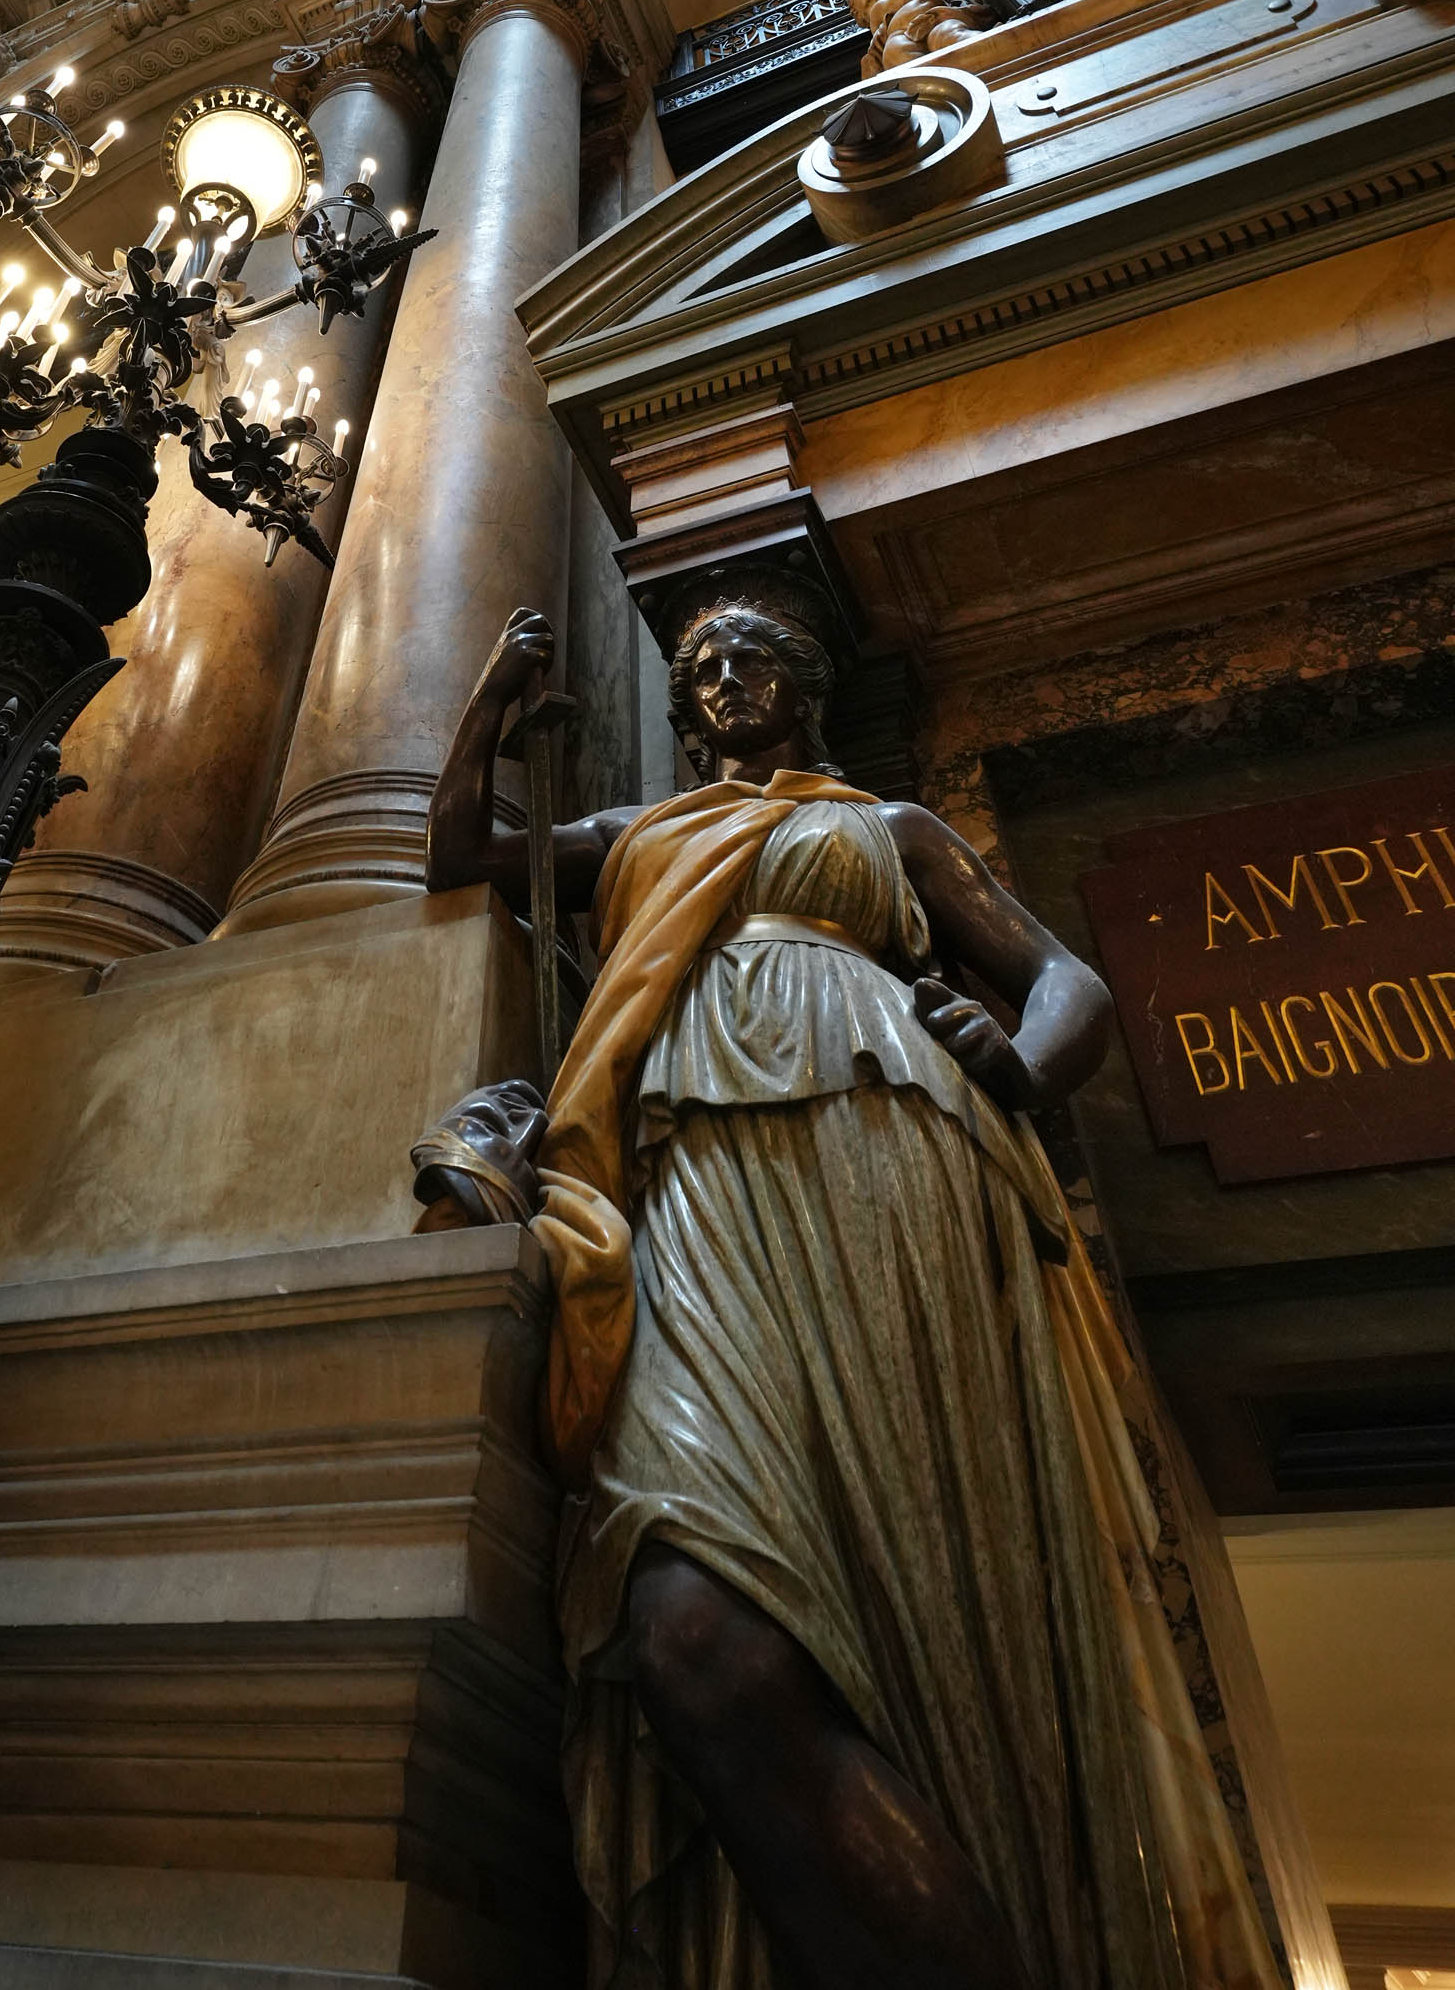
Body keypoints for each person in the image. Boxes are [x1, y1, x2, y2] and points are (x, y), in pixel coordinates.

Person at [420, 595, 1280, 1990]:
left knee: (922, 1572)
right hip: (690, 1170)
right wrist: (485, 716)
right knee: (689, 1629)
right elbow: (459, 853)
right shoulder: (640, 837)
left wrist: (1014, 1060)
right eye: (697, 669)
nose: (721, 678)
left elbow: (1069, 982)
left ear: (805, 686)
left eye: (749, 656)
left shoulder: (890, 832)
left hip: (899, 1153)